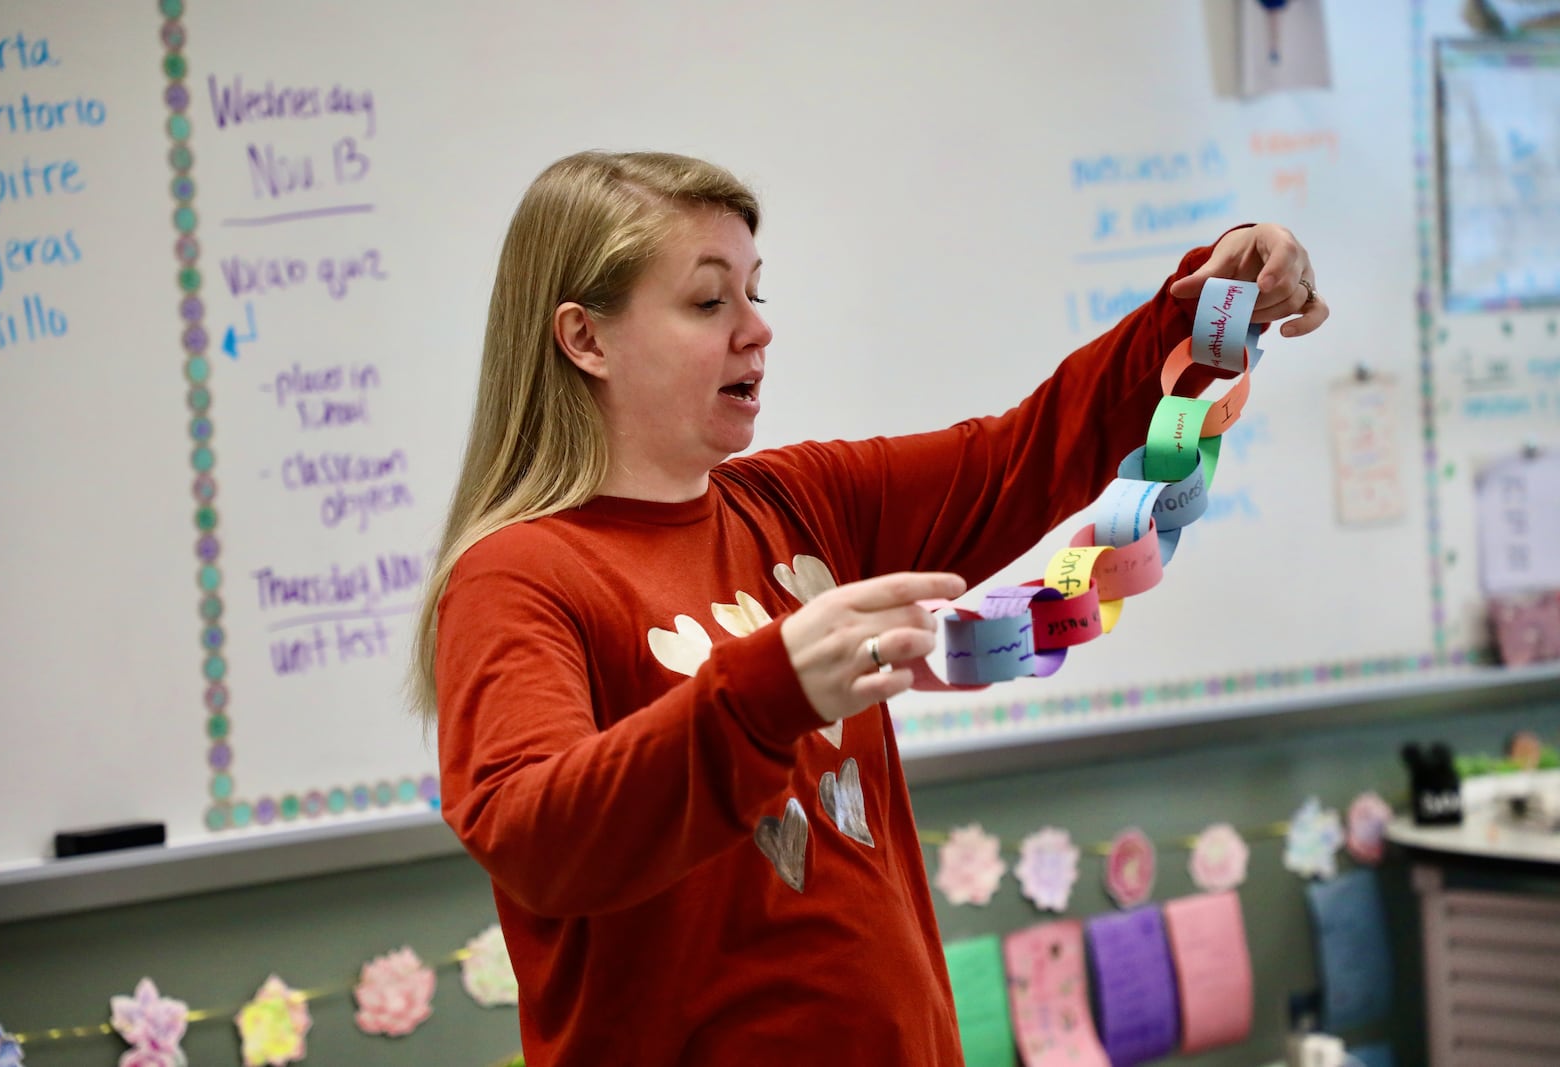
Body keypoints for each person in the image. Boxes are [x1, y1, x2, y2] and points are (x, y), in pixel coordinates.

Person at [412, 150, 1327, 1064]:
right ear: (586, 338)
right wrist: (762, 692)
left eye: (754, 294)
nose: (756, 332)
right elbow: (534, 834)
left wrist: (1208, 301)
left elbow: (1030, 450)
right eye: (707, 301)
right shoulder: (516, 576)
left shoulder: (798, 502)